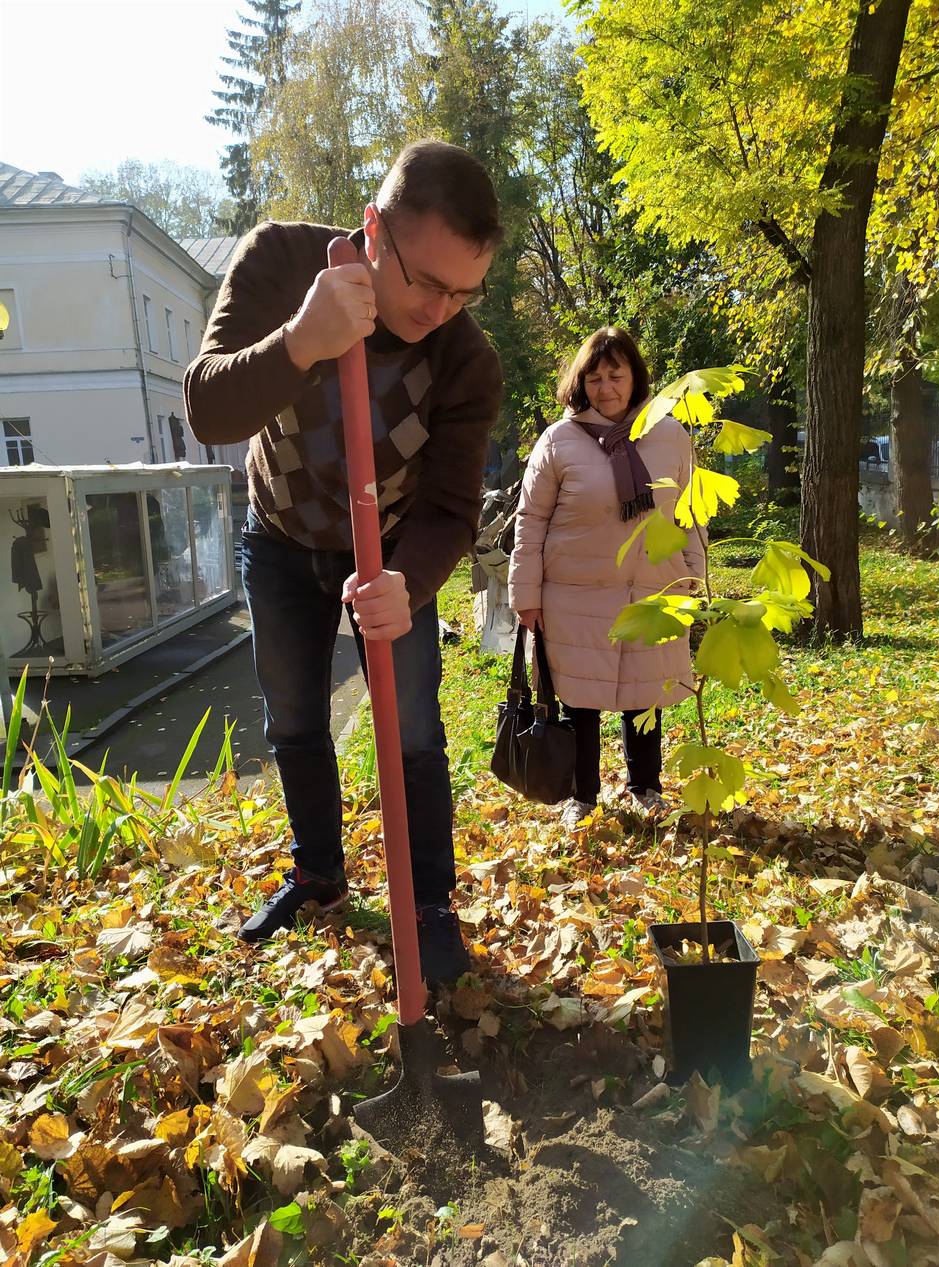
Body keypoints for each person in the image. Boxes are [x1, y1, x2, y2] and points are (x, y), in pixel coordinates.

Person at [184, 140, 503, 984]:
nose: (442, 309)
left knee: (415, 727)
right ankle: (318, 873)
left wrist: (411, 580)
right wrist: (300, 341)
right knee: (293, 716)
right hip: (282, 536)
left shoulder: (466, 359)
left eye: (466, 291)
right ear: (373, 228)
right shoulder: (280, 261)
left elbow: (450, 508)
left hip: (389, 555)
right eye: (428, 282)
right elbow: (208, 406)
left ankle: (430, 902)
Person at [508, 327, 703, 831]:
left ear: (636, 377)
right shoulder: (560, 440)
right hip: (573, 594)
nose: (605, 387)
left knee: (645, 693)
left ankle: (646, 785)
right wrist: (525, 594)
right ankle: (583, 793)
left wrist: (694, 575)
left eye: (616, 375)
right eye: (594, 377)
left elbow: (691, 512)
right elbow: (530, 520)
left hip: (653, 588)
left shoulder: (670, 435)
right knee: (580, 696)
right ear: (581, 382)